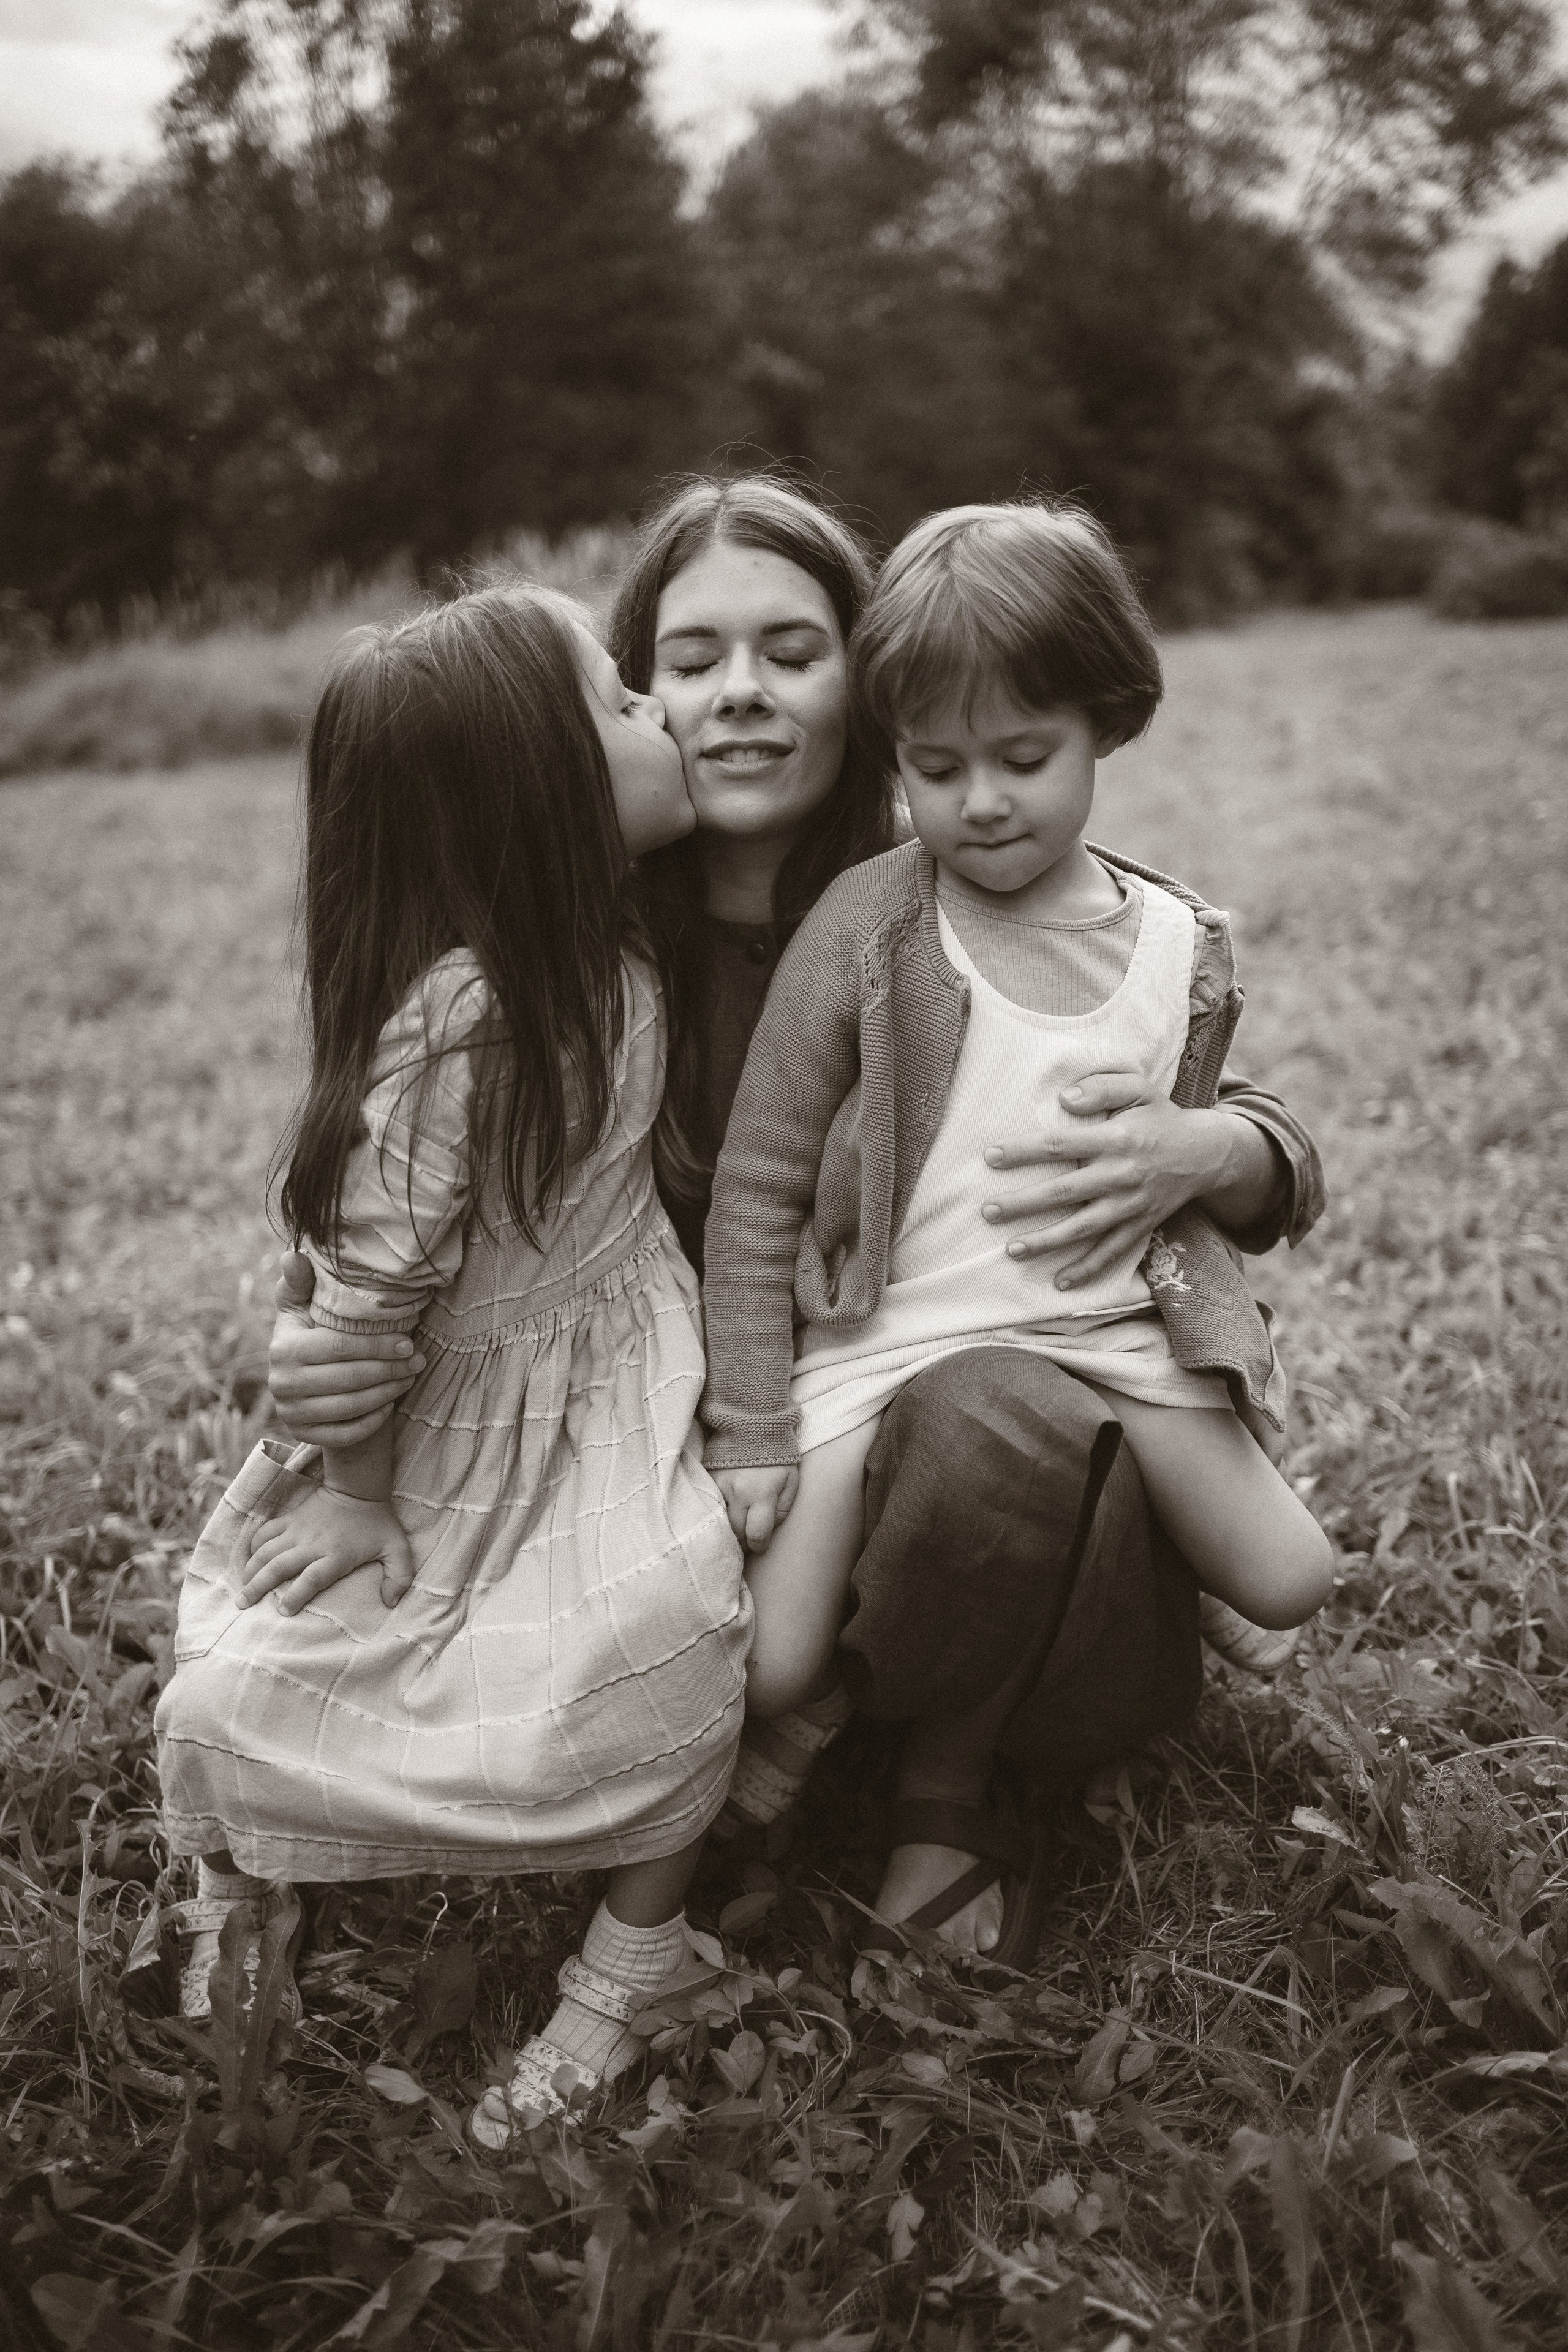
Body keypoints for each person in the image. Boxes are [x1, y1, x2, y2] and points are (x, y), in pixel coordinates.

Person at [264, 475, 1325, 1967]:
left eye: (790, 650)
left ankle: (952, 1791)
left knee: (996, 1408)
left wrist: (1211, 1146)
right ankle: (382, 1786)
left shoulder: (951, 872)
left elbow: (1198, 1070)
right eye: (691, 663)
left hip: (975, 1452)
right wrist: (327, 1364)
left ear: (868, 683)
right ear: (628, 705)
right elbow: (403, 1184)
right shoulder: (571, 955)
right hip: (688, 1457)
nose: (741, 696)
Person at [153, 584, 753, 2146]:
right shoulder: (469, 1026)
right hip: (446, 1426)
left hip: (612, 1384)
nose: (664, 715)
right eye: (624, 704)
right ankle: (234, 1879)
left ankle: (638, 1961)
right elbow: (366, 1284)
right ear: (544, 794)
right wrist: (351, 1493)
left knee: (676, 1617)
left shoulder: (618, 941)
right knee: (244, 1685)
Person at [701, 501, 1335, 1812]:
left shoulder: (1179, 942)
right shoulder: (869, 923)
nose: (979, 803)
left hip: (1106, 1330)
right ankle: (884, 1692)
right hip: (887, 1340)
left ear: (1105, 723)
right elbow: (757, 1187)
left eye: (1022, 757)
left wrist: (1210, 1146)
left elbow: (1223, 1143)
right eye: (934, 768)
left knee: (1289, 1580)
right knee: (767, 1669)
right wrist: (754, 1422)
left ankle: (1132, 1560)